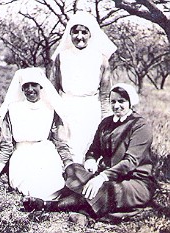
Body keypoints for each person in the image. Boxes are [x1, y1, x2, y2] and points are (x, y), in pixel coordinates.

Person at [31, 83, 156, 221]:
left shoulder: (140, 126)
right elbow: (93, 150)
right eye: (113, 101)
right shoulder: (106, 123)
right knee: (72, 169)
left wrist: (102, 177)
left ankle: (49, 205)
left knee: (105, 189)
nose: (116, 105)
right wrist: (90, 160)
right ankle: (86, 206)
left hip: (134, 182)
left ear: (131, 102)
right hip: (105, 176)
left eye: (121, 101)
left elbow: (130, 162)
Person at [0, 67, 69, 203]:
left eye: (34, 85)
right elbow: (6, 145)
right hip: (22, 156)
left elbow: (59, 142)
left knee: (54, 185)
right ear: (21, 88)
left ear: (41, 86)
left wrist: (69, 164)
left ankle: (48, 204)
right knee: (34, 187)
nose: (30, 89)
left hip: (46, 154)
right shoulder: (13, 109)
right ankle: (40, 203)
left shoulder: (50, 109)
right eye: (26, 86)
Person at [51, 11, 117, 165]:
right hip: (67, 108)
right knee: (66, 149)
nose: (79, 36)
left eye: (84, 32)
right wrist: (53, 117)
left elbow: (105, 93)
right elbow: (53, 90)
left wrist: (106, 120)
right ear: (70, 33)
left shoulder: (100, 59)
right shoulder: (61, 57)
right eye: (75, 32)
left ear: (90, 34)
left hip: (90, 109)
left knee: (89, 150)